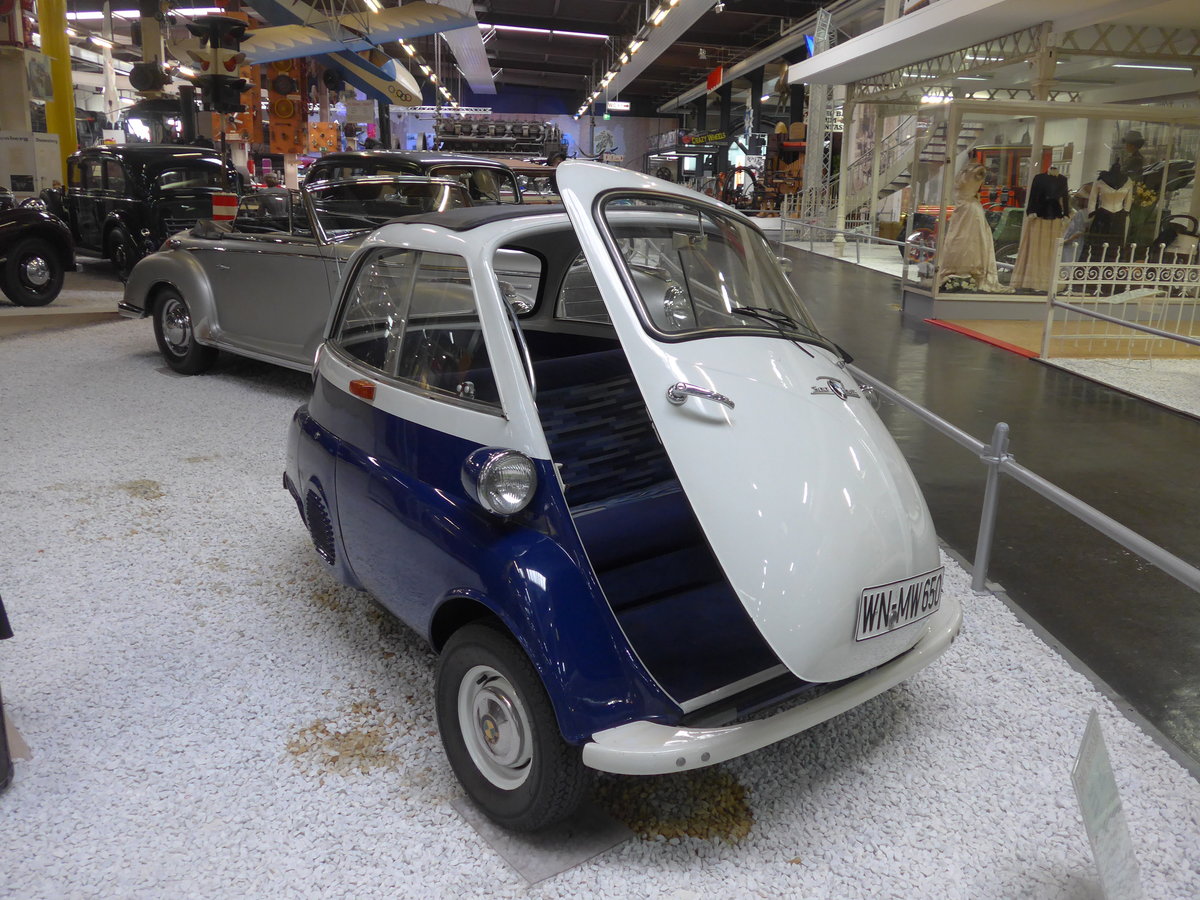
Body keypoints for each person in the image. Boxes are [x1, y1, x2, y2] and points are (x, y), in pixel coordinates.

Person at [937, 162, 1012, 293]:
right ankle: (965, 270)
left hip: (966, 211)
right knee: (965, 240)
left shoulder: (963, 176)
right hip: (968, 211)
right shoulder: (972, 174)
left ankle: (967, 270)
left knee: (966, 240)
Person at [1012, 165, 1070, 292]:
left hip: (1055, 218)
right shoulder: (1039, 178)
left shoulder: (1063, 179)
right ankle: (1032, 280)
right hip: (1038, 216)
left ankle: (1047, 280)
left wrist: (1066, 213)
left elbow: (1065, 197)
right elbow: (1033, 195)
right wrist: (1031, 211)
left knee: (1050, 249)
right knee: (1036, 247)